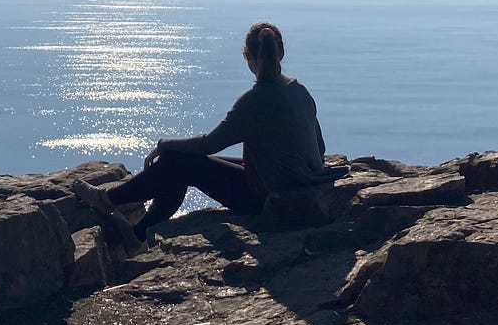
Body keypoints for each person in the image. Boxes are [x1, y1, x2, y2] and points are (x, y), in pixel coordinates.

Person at [74, 22, 339, 253]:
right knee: (182, 161)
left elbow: (209, 144)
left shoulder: (255, 100)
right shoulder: (300, 91)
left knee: (179, 162)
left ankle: (108, 200)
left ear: (248, 56)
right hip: (304, 187)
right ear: (281, 53)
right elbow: (320, 146)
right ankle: (138, 233)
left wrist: (163, 145)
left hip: (271, 200)